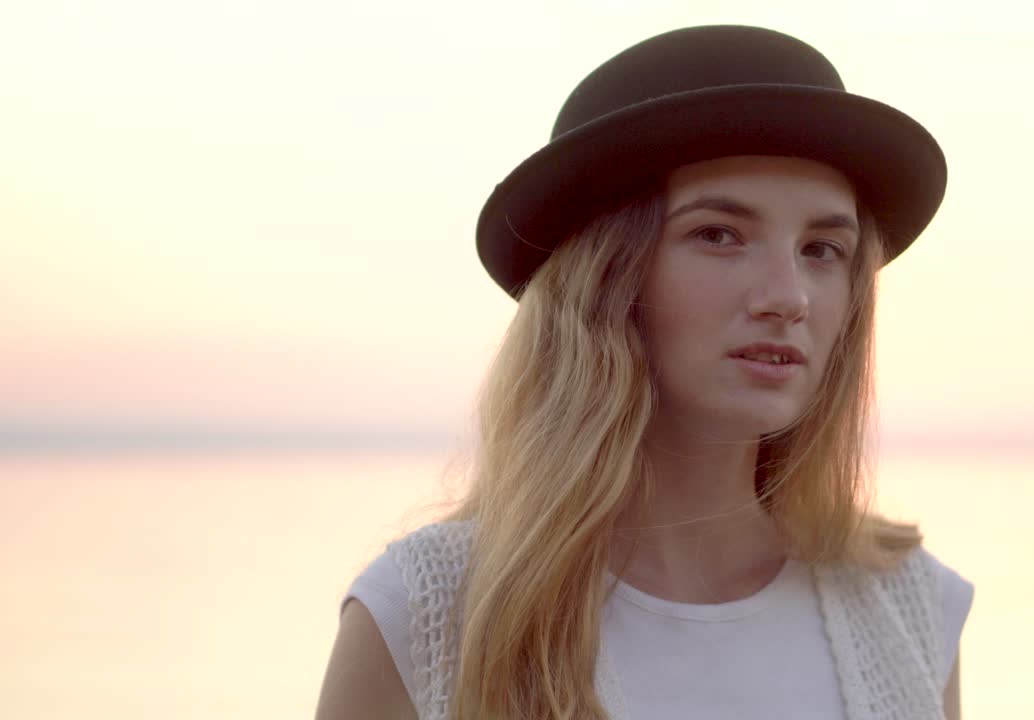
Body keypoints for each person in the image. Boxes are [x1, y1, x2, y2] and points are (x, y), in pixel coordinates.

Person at [316, 24, 973, 720]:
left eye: (822, 248)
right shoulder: (425, 612)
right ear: (607, 279)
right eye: (718, 235)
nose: (788, 297)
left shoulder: (909, 607)